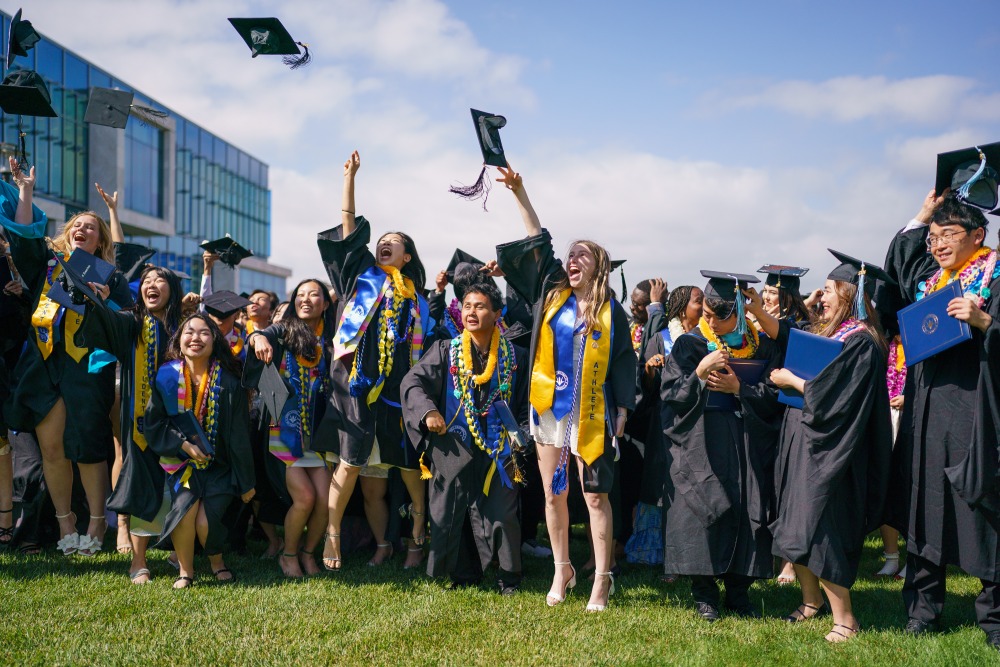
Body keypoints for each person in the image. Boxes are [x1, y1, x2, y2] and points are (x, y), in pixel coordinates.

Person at [494, 164, 636, 612]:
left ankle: (603, 578)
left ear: (600, 267)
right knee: (552, 493)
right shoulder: (551, 297)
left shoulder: (614, 314)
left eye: (583, 256)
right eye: (570, 256)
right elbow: (539, 245)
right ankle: (562, 567)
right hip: (548, 410)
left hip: (593, 413)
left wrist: (625, 410)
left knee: (594, 495)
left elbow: (624, 366)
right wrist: (520, 192)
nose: (572, 261)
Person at [879, 190, 1000, 649]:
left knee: (983, 505)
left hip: (976, 410)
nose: (937, 244)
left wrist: (987, 323)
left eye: (947, 234)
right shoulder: (933, 281)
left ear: (978, 236)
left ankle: (994, 619)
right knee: (922, 505)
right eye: (933, 237)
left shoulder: (996, 276)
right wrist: (925, 214)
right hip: (926, 410)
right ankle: (923, 609)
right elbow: (898, 265)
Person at [4, 161, 133, 557]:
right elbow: (24, 237)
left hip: (87, 365)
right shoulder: (47, 265)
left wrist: (105, 301)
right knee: (52, 448)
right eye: (77, 224)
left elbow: (128, 323)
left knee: (89, 445)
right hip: (43, 363)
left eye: (91, 227)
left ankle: (96, 520)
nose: (82, 229)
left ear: (101, 239)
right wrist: (26, 192)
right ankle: (65, 522)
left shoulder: (111, 276)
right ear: (67, 232)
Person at [764, 250, 894, 643]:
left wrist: (793, 382)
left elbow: (839, 396)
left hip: (834, 450)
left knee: (824, 528)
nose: (823, 296)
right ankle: (810, 601)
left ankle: (846, 618)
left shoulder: (864, 342)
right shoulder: (831, 333)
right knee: (794, 523)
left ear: (851, 295)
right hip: (803, 439)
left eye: (831, 289)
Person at [315, 151, 431, 571]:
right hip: (355, 384)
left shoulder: (417, 300)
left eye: (394, 243)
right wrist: (349, 180)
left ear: (406, 256)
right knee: (349, 461)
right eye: (382, 241)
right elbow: (348, 230)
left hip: (398, 389)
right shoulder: (360, 276)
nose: (385, 243)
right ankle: (332, 536)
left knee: (408, 468)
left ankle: (417, 535)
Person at [659, 271, 782, 622]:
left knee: (748, 509)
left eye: (716, 315)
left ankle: (739, 592)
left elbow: (775, 396)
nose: (706, 320)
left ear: (740, 313)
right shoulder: (689, 345)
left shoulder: (762, 345)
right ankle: (705, 594)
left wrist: (738, 390)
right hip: (702, 439)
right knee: (703, 509)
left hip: (747, 440)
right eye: (706, 313)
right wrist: (699, 372)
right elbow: (670, 395)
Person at [401, 279, 530, 593]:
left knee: (502, 513)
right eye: (467, 305)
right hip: (456, 445)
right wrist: (428, 411)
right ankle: (462, 574)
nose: (471, 312)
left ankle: (508, 577)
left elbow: (528, 404)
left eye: (481, 306)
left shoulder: (517, 356)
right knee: (450, 510)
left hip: (501, 448)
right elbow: (413, 384)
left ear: (497, 312)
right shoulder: (446, 350)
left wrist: (522, 438)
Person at [80, 265, 186, 583]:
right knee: (142, 482)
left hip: (181, 418)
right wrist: (94, 301)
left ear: (173, 289)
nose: (151, 285)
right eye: (147, 281)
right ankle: (138, 561)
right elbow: (105, 323)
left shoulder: (186, 327)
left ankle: (181, 554)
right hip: (140, 418)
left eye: (160, 280)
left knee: (184, 486)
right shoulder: (132, 322)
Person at [145, 313, 255, 588]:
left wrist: (246, 481)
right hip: (182, 464)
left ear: (214, 339)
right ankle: (186, 571)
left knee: (206, 523)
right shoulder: (167, 376)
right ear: (179, 341)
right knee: (185, 510)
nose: (195, 338)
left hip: (220, 466)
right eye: (189, 332)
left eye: (204, 333)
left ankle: (217, 561)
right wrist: (183, 445)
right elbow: (154, 422)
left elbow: (240, 435)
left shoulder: (229, 381)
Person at [247, 278, 334, 578]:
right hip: (285, 429)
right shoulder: (285, 331)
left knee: (325, 501)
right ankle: (289, 554)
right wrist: (257, 338)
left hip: (319, 433)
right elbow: (262, 335)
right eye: (300, 294)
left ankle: (309, 554)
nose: (306, 299)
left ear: (325, 302)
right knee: (305, 498)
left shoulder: (331, 338)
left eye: (314, 294)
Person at [874, 334, 906, 579]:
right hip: (885, 417)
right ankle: (891, 557)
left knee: (909, 488)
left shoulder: (923, 337)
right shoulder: (884, 344)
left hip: (910, 418)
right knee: (887, 486)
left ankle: (914, 559)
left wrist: (909, 396)